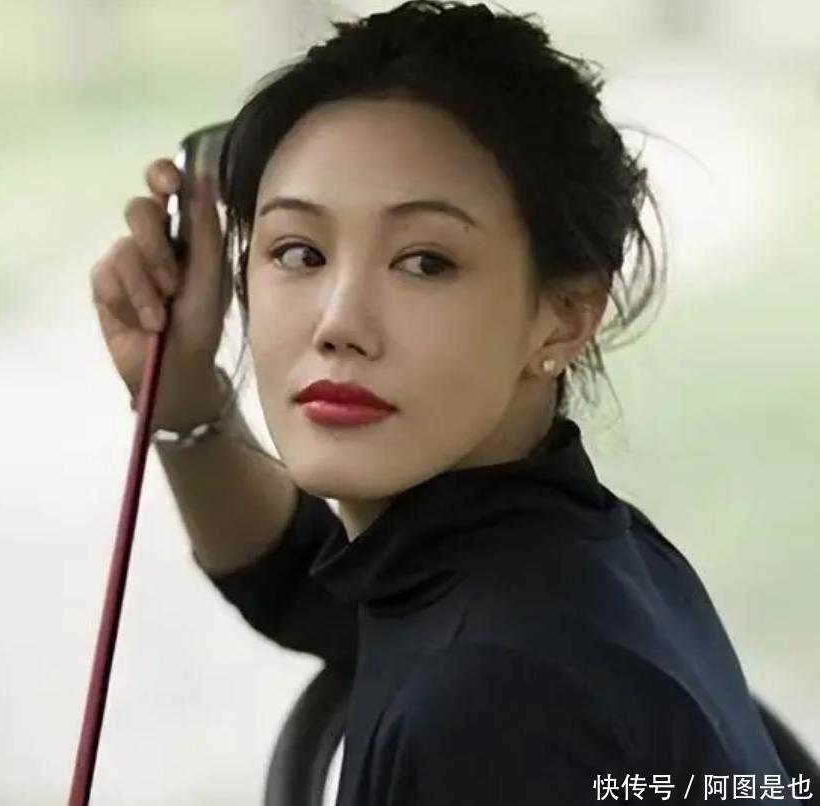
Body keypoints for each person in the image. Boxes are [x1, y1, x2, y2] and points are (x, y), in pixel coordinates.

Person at [90, 2, 808, 803]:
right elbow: (305, 585)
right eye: (299, 252)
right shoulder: (584, 565)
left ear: (565, 314)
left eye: (425, 262)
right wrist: (183, 394)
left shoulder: (493, 703)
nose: (339, 323)